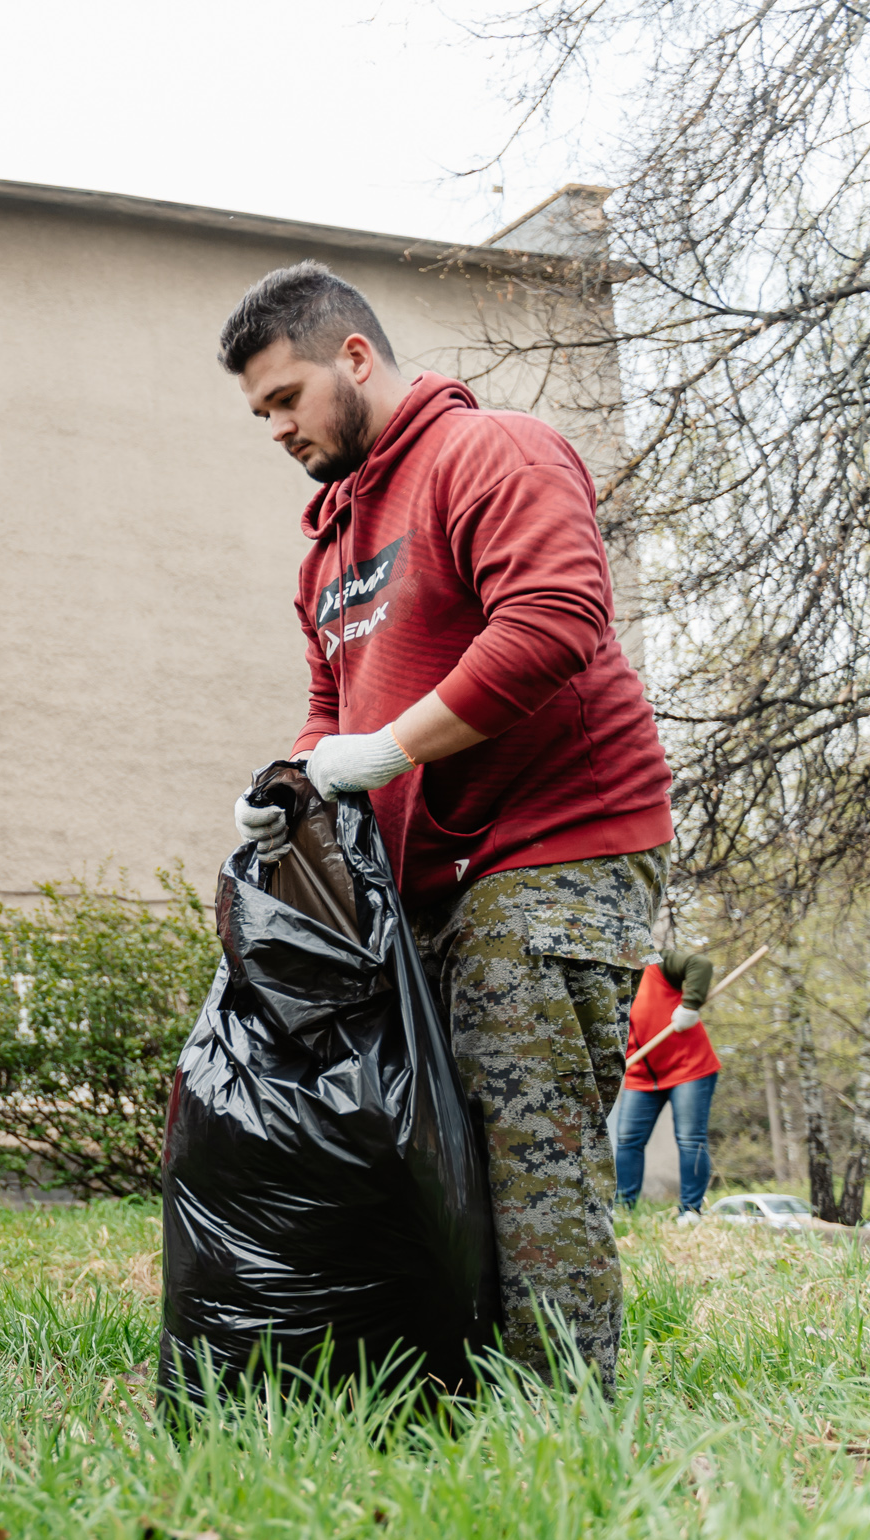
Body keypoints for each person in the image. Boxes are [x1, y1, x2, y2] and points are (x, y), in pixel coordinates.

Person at [220, 262, 674, 1393]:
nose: (274, 428)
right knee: (434, 1141)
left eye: (285, 399)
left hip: (555, 847)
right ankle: (449, 1381)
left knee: (528, 1147)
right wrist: (293, 777)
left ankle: (562, 1414)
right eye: (259, 413)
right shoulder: (326, 552)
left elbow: (553, 619)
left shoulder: (490, 454)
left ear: (355, 359)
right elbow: (335, 709)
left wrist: (388, 751)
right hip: (426, 878)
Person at [614, 927, 723, 1220]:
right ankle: (624, 1210)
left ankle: (691, 1211)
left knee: (689, 1139)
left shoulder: (656, 964)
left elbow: (700, 965)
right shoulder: (605, 986)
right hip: (640, 1075)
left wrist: (690, 1005)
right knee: (627, 1141)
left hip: (689, 1068)